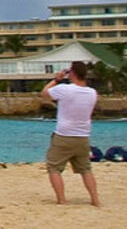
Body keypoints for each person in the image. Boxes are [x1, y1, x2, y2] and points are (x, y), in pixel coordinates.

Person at [41, 61, 101, 207]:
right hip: (83, 135)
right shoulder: (92, 93)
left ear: (72, 73)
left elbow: (44, 94)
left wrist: (57, 79)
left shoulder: (65, 89)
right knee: (85, 169)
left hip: (64, 134)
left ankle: (61, 199)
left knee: (54, 168)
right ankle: (95, 199)